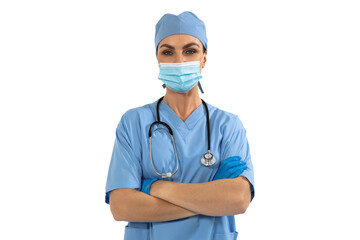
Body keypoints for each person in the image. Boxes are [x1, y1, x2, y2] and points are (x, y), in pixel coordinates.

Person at [105, 11, 255, 240]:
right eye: (168, 52)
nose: (179, 61)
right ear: (157, 58)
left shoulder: (228, 125)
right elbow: (121, 206)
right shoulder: (134, 122)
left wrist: (157, 188)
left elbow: (239, 199)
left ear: (204, 58)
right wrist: (212, 196)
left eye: (190, 51)